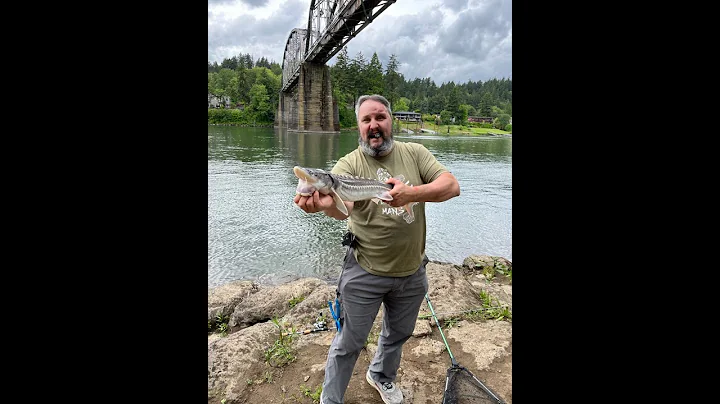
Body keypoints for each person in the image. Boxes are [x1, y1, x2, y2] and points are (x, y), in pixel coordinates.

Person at [293, 94, 460, 404]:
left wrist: (411, 193)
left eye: (379, 117)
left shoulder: (415, 152)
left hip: (411, 271)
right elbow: (343, 209)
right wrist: (323, 204)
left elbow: (451, 186)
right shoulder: (348, 165)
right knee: (349, 342)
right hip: (364, 271)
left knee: (397, 334)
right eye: (366, 120)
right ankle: (330, 400)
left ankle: (380, 376)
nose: (373, 125)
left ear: (390, 120)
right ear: (358, 127)